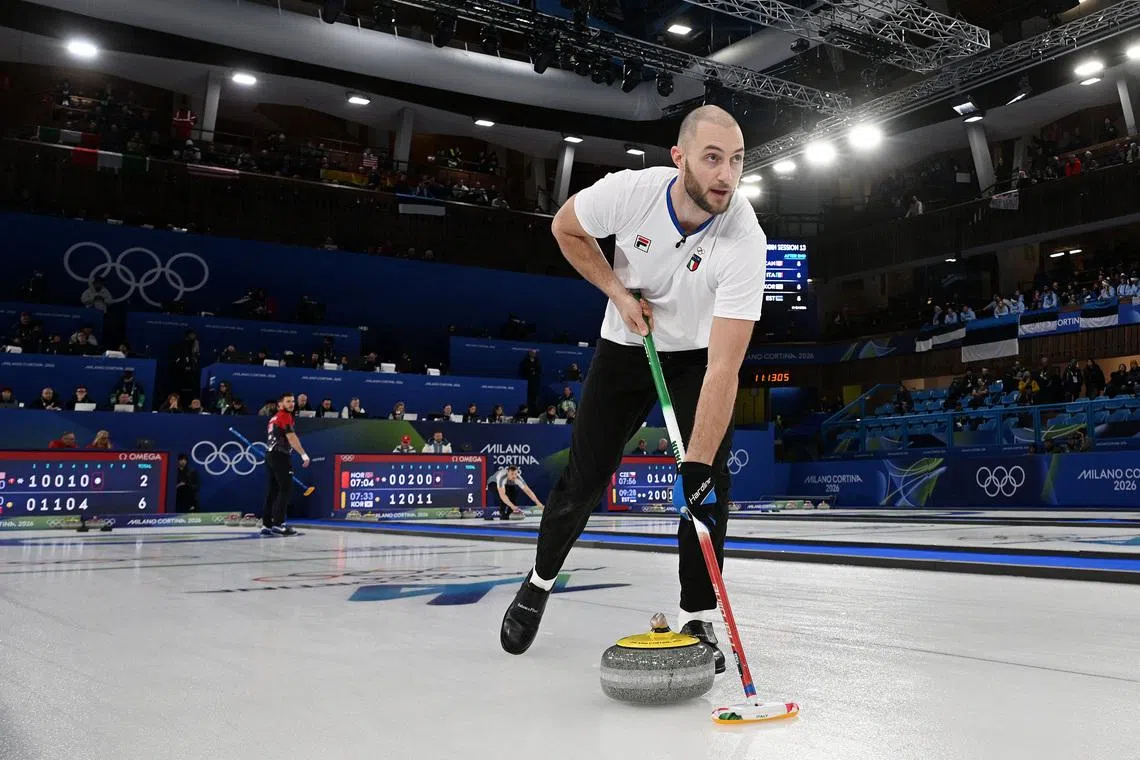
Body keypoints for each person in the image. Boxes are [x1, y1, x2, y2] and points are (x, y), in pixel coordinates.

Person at [499, 105, 767, 675]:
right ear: (680, 158)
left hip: (697, 357)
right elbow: (565, 228)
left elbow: (725, 368)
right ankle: (540, 580)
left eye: (737, 160)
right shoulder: (631, 192)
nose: (726, 174)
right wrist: (619, 294)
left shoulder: (746, 238)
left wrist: (695, 468)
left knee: (707, 489)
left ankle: (699, 616)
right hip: (626, 343)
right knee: (586, 475)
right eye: (712, 158)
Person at [262, 392, 311, 536]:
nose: (291, 404)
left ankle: (266, 524)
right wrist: (303, 454)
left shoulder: (273, 418)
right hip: (280, 455)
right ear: (280, 404)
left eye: (292, 401)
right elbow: (291, 437)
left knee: (272, 491)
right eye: (288, 401)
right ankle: (278, 524)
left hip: (270, 455)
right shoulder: (284, 416)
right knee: (285, 489)